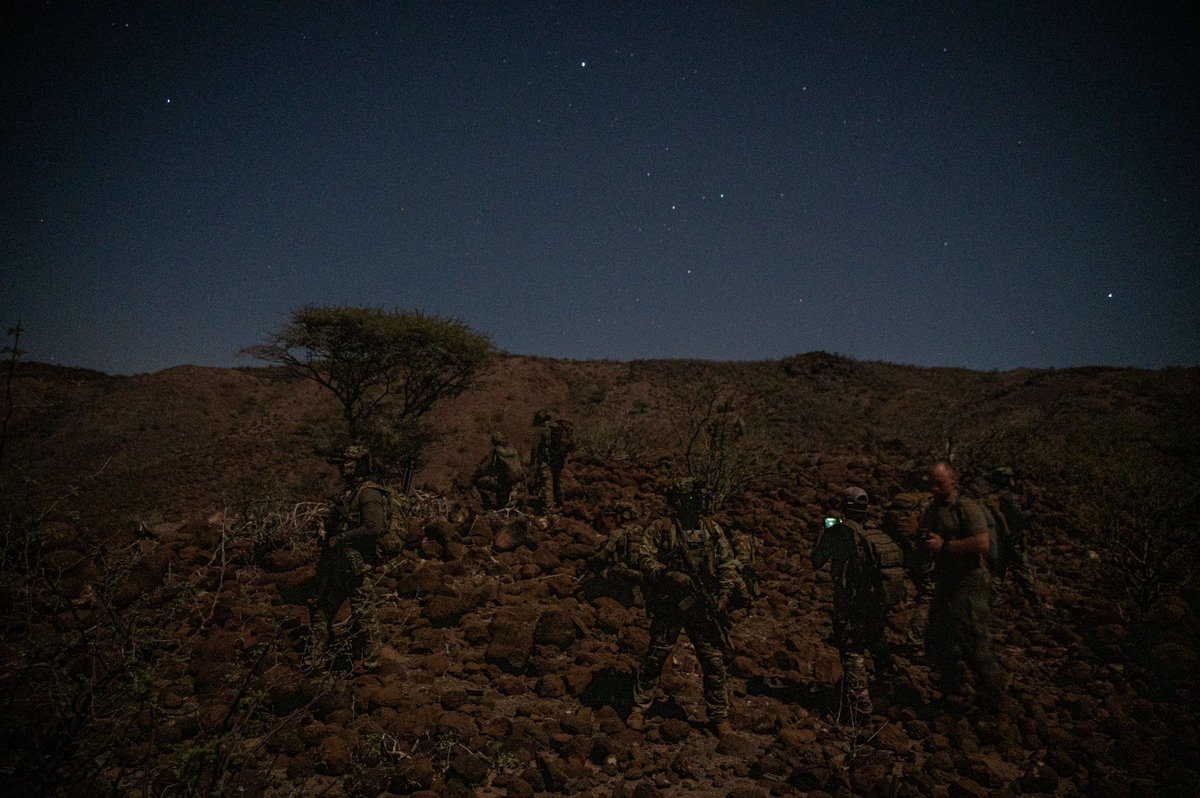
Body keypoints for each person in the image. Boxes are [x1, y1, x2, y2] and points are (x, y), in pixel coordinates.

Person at [628, 479, 739, 737]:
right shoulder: (662, 528)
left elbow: (726, 564)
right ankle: (639, 708)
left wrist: (724, 595)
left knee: (713, 661)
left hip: (701, 606)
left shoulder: (712, 530)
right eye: (692, 498)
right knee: (656, 656)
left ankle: (719, 716)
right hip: (669, 603)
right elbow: (643, 558)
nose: (698, 503)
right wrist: (667, 574)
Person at [918, 462, 1009, 710]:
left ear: (953, 481)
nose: (934, 489)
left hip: (970, 581)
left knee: (973, 639)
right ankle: (953, 693)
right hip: (946, 581)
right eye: (931, 484)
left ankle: (996, 697)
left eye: (940, 483)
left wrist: (945, 546)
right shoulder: (932, 509)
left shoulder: (966, 508)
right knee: (939, 637)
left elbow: (982, 543)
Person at [811, 487, 898, 717]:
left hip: (851, 602)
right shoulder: (874, 530)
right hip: (875, 601)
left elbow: (816, 560)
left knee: (852, 650)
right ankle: (889, 691)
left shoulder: (841, 532)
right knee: (878, 642)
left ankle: (860, 706)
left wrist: (823, 531)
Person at [309, 444, 388, 668]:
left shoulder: (368, 493)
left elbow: (374, 527)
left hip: (358, 564)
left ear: (360, 464)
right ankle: (315, 657)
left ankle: (373, 660)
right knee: (321, 608)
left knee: (363, 612)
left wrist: (342, 537)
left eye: (349, 462)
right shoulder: (350, 491)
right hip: (339, 563)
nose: (344, 466)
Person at [985, 466, 1041, 607]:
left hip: (999, 540)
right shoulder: (1008, 497)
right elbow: (1020, 517)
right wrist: (1031, 511)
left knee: (999, 571)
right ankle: (1034, 601)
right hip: (1013, 539)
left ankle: (991, 599)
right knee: (1023, 570)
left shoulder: (993, 497)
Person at [530, 409, 574, 513]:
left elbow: (535, 448)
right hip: (558, 460)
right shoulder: (558, 429)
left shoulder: (542, 430)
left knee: (548, 483)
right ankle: (560, 503)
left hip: (547, 460)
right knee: (557, 480)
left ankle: (549, 508)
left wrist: (533, 463)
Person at [472, 431, 525, 510]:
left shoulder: (497, 451)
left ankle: (487, 506)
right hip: (517, 481)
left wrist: (475, 474)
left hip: (502, 482)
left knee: (478, 482)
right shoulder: (513, 449)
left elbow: (485, 467)